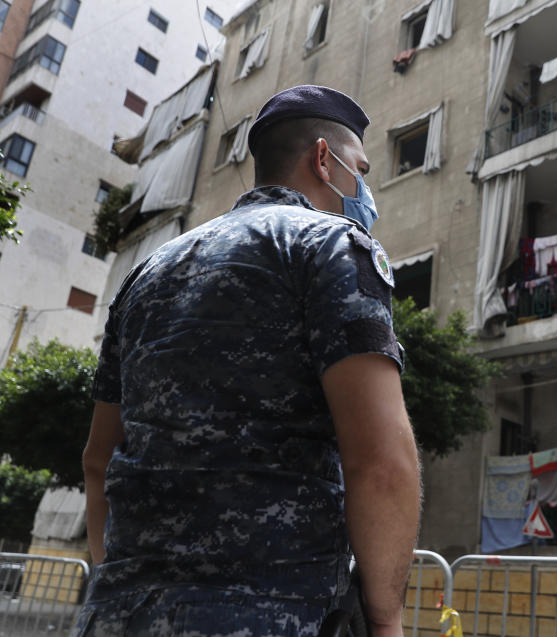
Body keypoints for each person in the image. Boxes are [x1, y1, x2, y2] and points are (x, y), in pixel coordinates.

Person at [76, 86, 421, 637]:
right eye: (361, 168)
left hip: (117, 615)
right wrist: (387, 622)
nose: (366, 189)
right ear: (323, 160)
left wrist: (111, 582)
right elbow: (380, 460)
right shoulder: (330, 245)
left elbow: (99, 458)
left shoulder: (147, 274)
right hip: (271, 612)